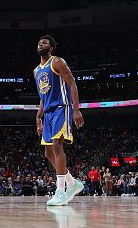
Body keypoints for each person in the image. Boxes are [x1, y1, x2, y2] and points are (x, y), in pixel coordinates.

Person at [34, 35, 85, 206]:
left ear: (51, 48)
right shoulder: (36, 71)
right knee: (48, 153)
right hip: (47, 112)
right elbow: (43, 95)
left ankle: (60, 191)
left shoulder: (57, 62)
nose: (41, 44)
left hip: (61, 108)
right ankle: (72, 183)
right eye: (40, 42)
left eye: (45, 43)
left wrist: (76, 109)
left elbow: (72, 84)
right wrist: (38, 116)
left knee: (57, 145)